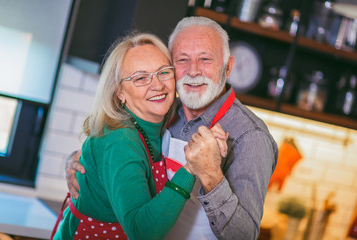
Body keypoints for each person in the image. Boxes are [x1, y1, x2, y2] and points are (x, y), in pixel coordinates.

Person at [67, 16, 278, 239]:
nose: (193, 71)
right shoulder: (162, 110)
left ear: (227, 68)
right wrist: (79, 166)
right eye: (182, 60)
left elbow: (244, 236)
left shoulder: (250, 136)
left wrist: (211, 176)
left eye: (205, 59)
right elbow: (116, 153)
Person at [53, 32, 228, 240]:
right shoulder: (121, 141)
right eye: (141, 78)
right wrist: (191, 168)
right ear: (119, 92)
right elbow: (142, 232)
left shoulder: (153, 126)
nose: (157, 85)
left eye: (164, 72)